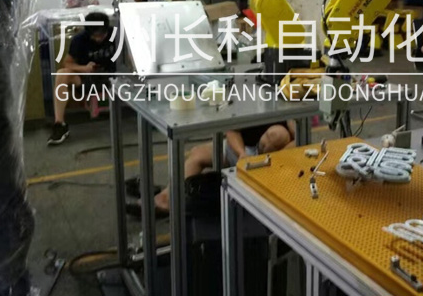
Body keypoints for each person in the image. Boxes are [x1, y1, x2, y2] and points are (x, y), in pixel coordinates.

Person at [127, 121, 296, 218]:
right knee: (197, 155)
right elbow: (232, 129)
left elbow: (300, 137)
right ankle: (168, 199)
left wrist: (271, 160)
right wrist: (241, 154)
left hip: (270, 159)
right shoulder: (250, 90)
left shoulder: (289, 86)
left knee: (278, 134)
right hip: (243, 149)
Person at [49, 12, 116, 146]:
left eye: (101, 35)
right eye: (95, 36)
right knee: (62, 74)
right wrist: (84, 68)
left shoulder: (116, 34)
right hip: (88, 78)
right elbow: (67, 63)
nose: (98, 39)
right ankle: (59, 124)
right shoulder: (79, 39)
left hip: (113, 77)